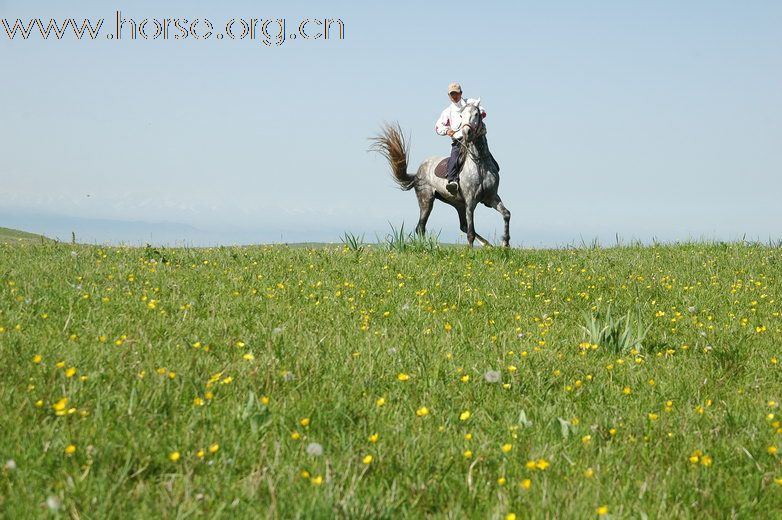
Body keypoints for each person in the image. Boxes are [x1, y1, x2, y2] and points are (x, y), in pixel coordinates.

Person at [434, 82, 487, 194]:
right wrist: (447, 130)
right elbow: (438, 127)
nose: (454, 96)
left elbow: (483, 112)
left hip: (474, 139)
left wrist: (475, 112)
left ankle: (492, 174)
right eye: (451, 94)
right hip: (460, 141)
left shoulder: (470, 102)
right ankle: (452, 181)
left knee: (487, 155)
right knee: (454, 157)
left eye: (456, 94)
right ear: (449, 96)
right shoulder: (447, 111)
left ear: (461, 93)